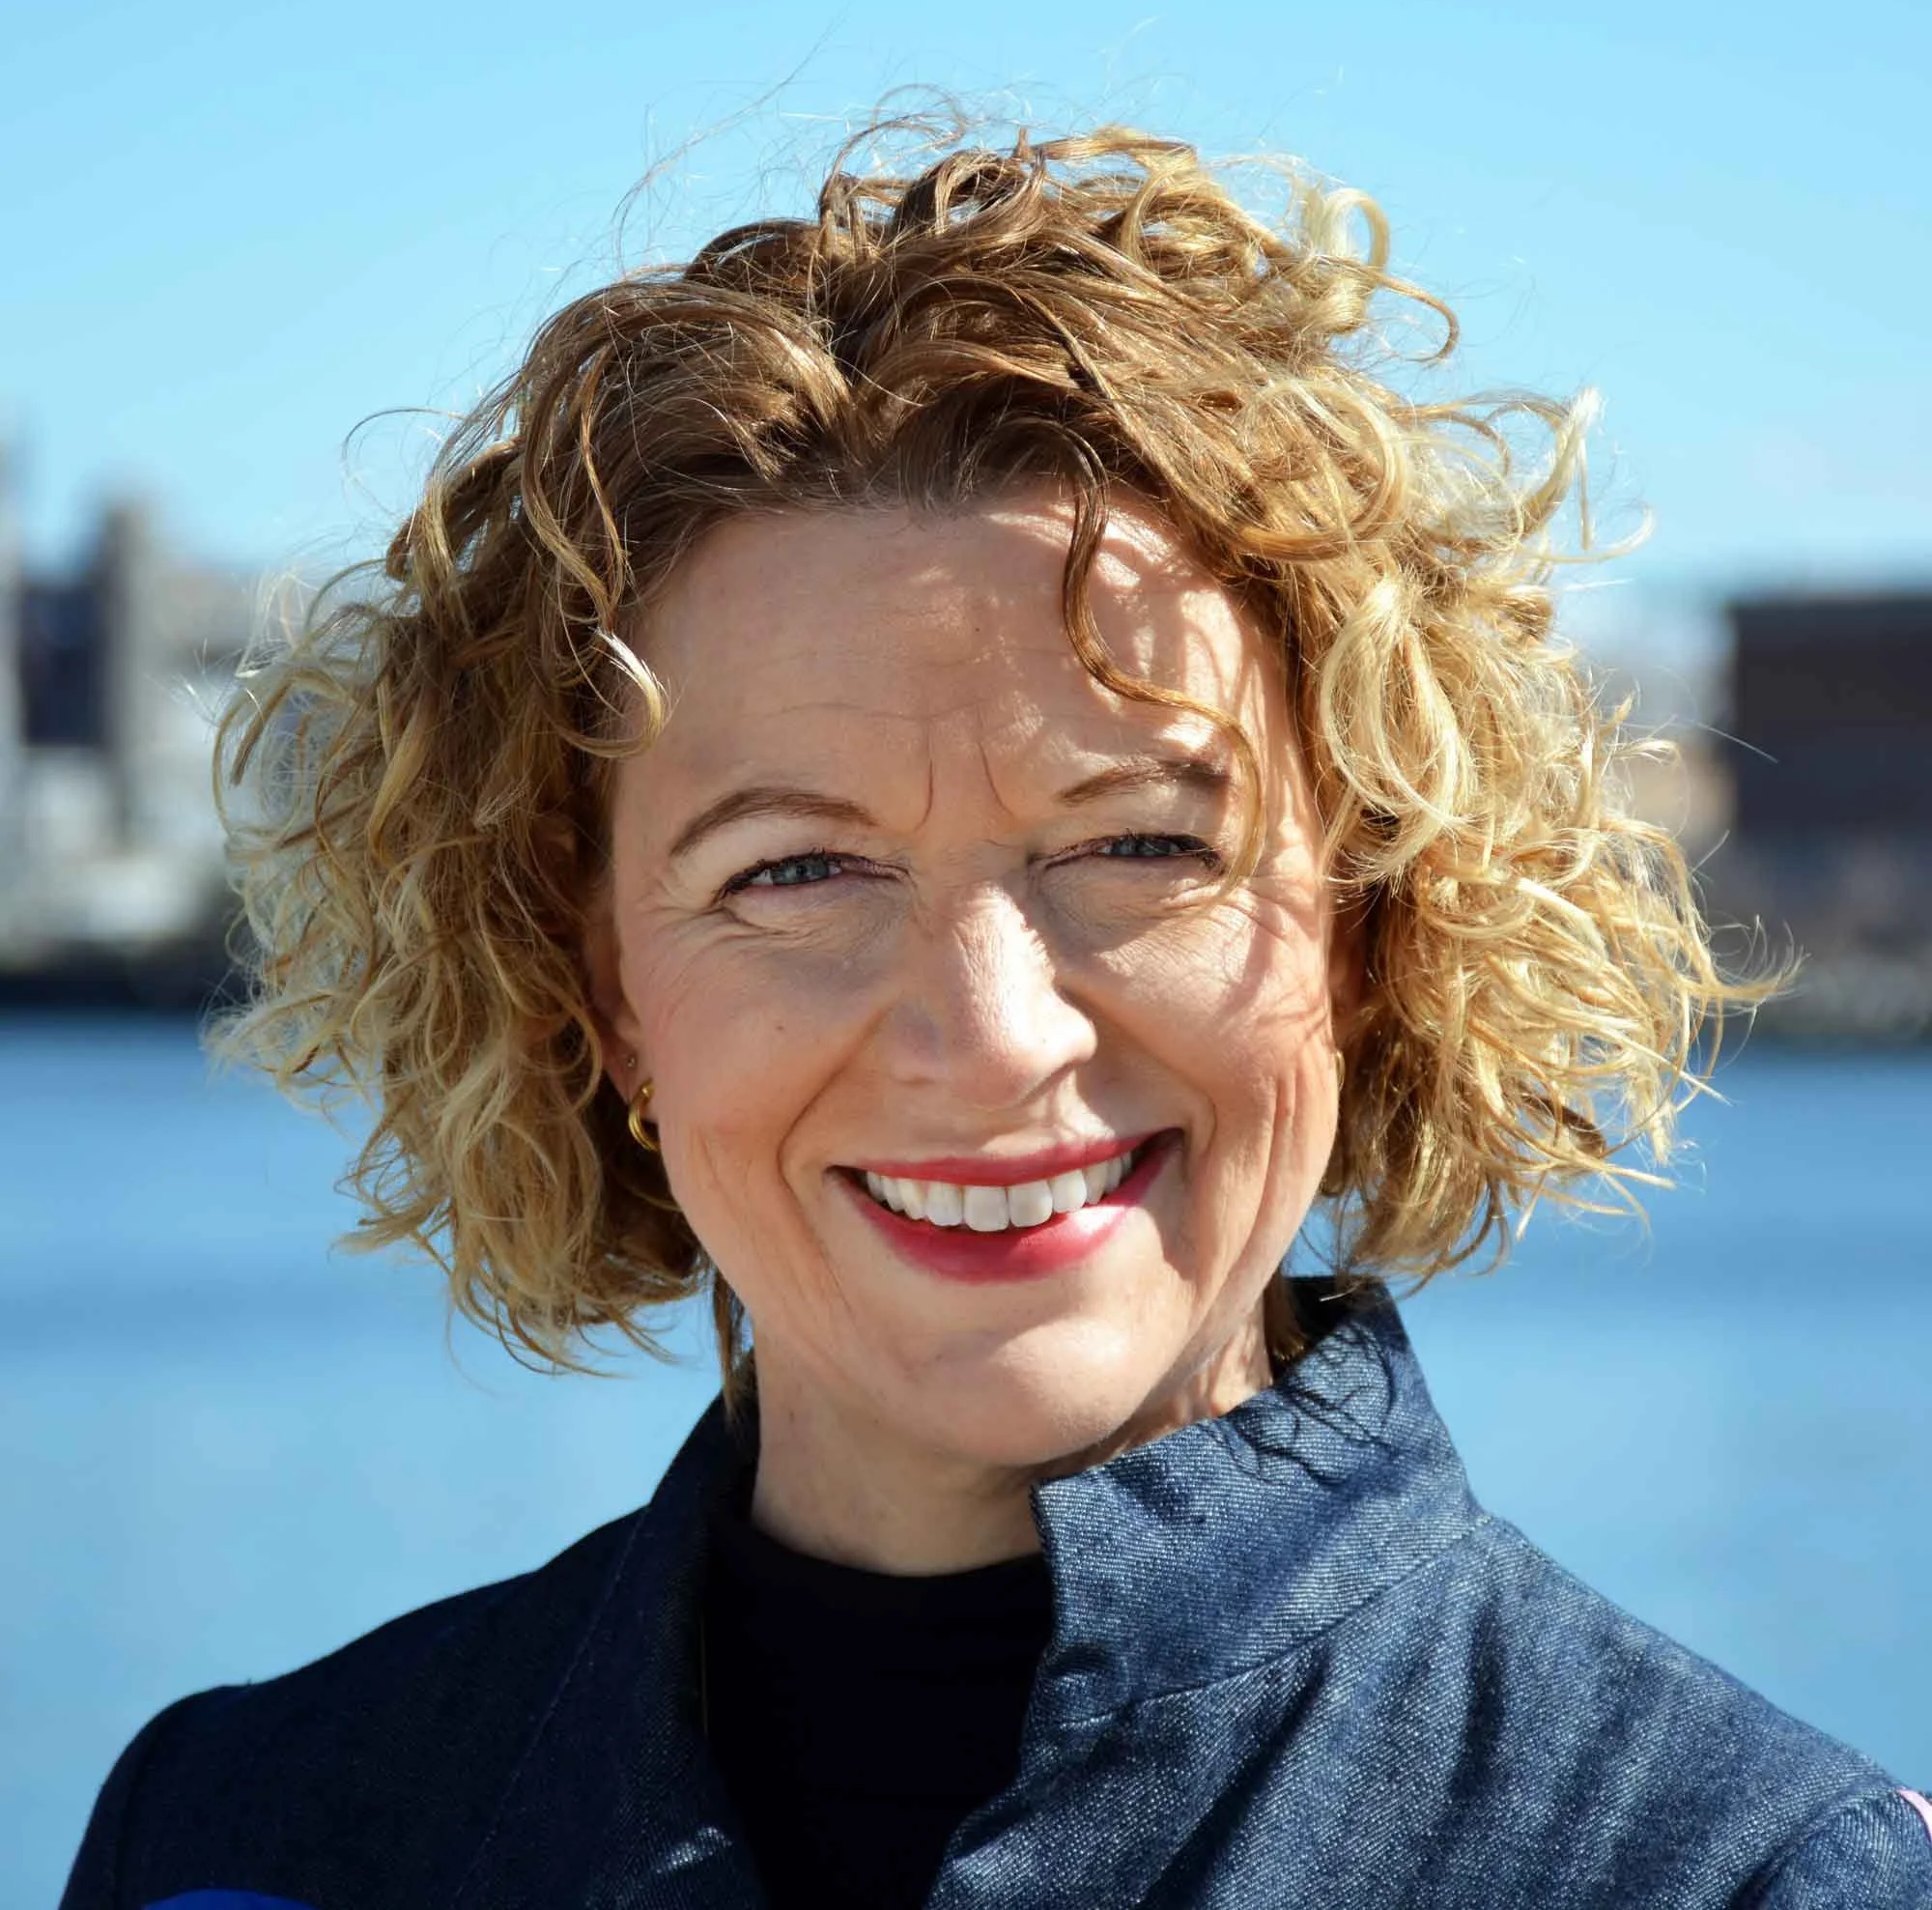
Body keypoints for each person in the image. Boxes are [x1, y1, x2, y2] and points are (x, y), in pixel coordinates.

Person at [63, 117, 1930, 1909]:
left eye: (1136, 843)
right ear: (598, 991)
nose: (991, 1034)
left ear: (1377, 921)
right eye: (794, 870)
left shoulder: (1738, 1875)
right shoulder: (245, 1840)